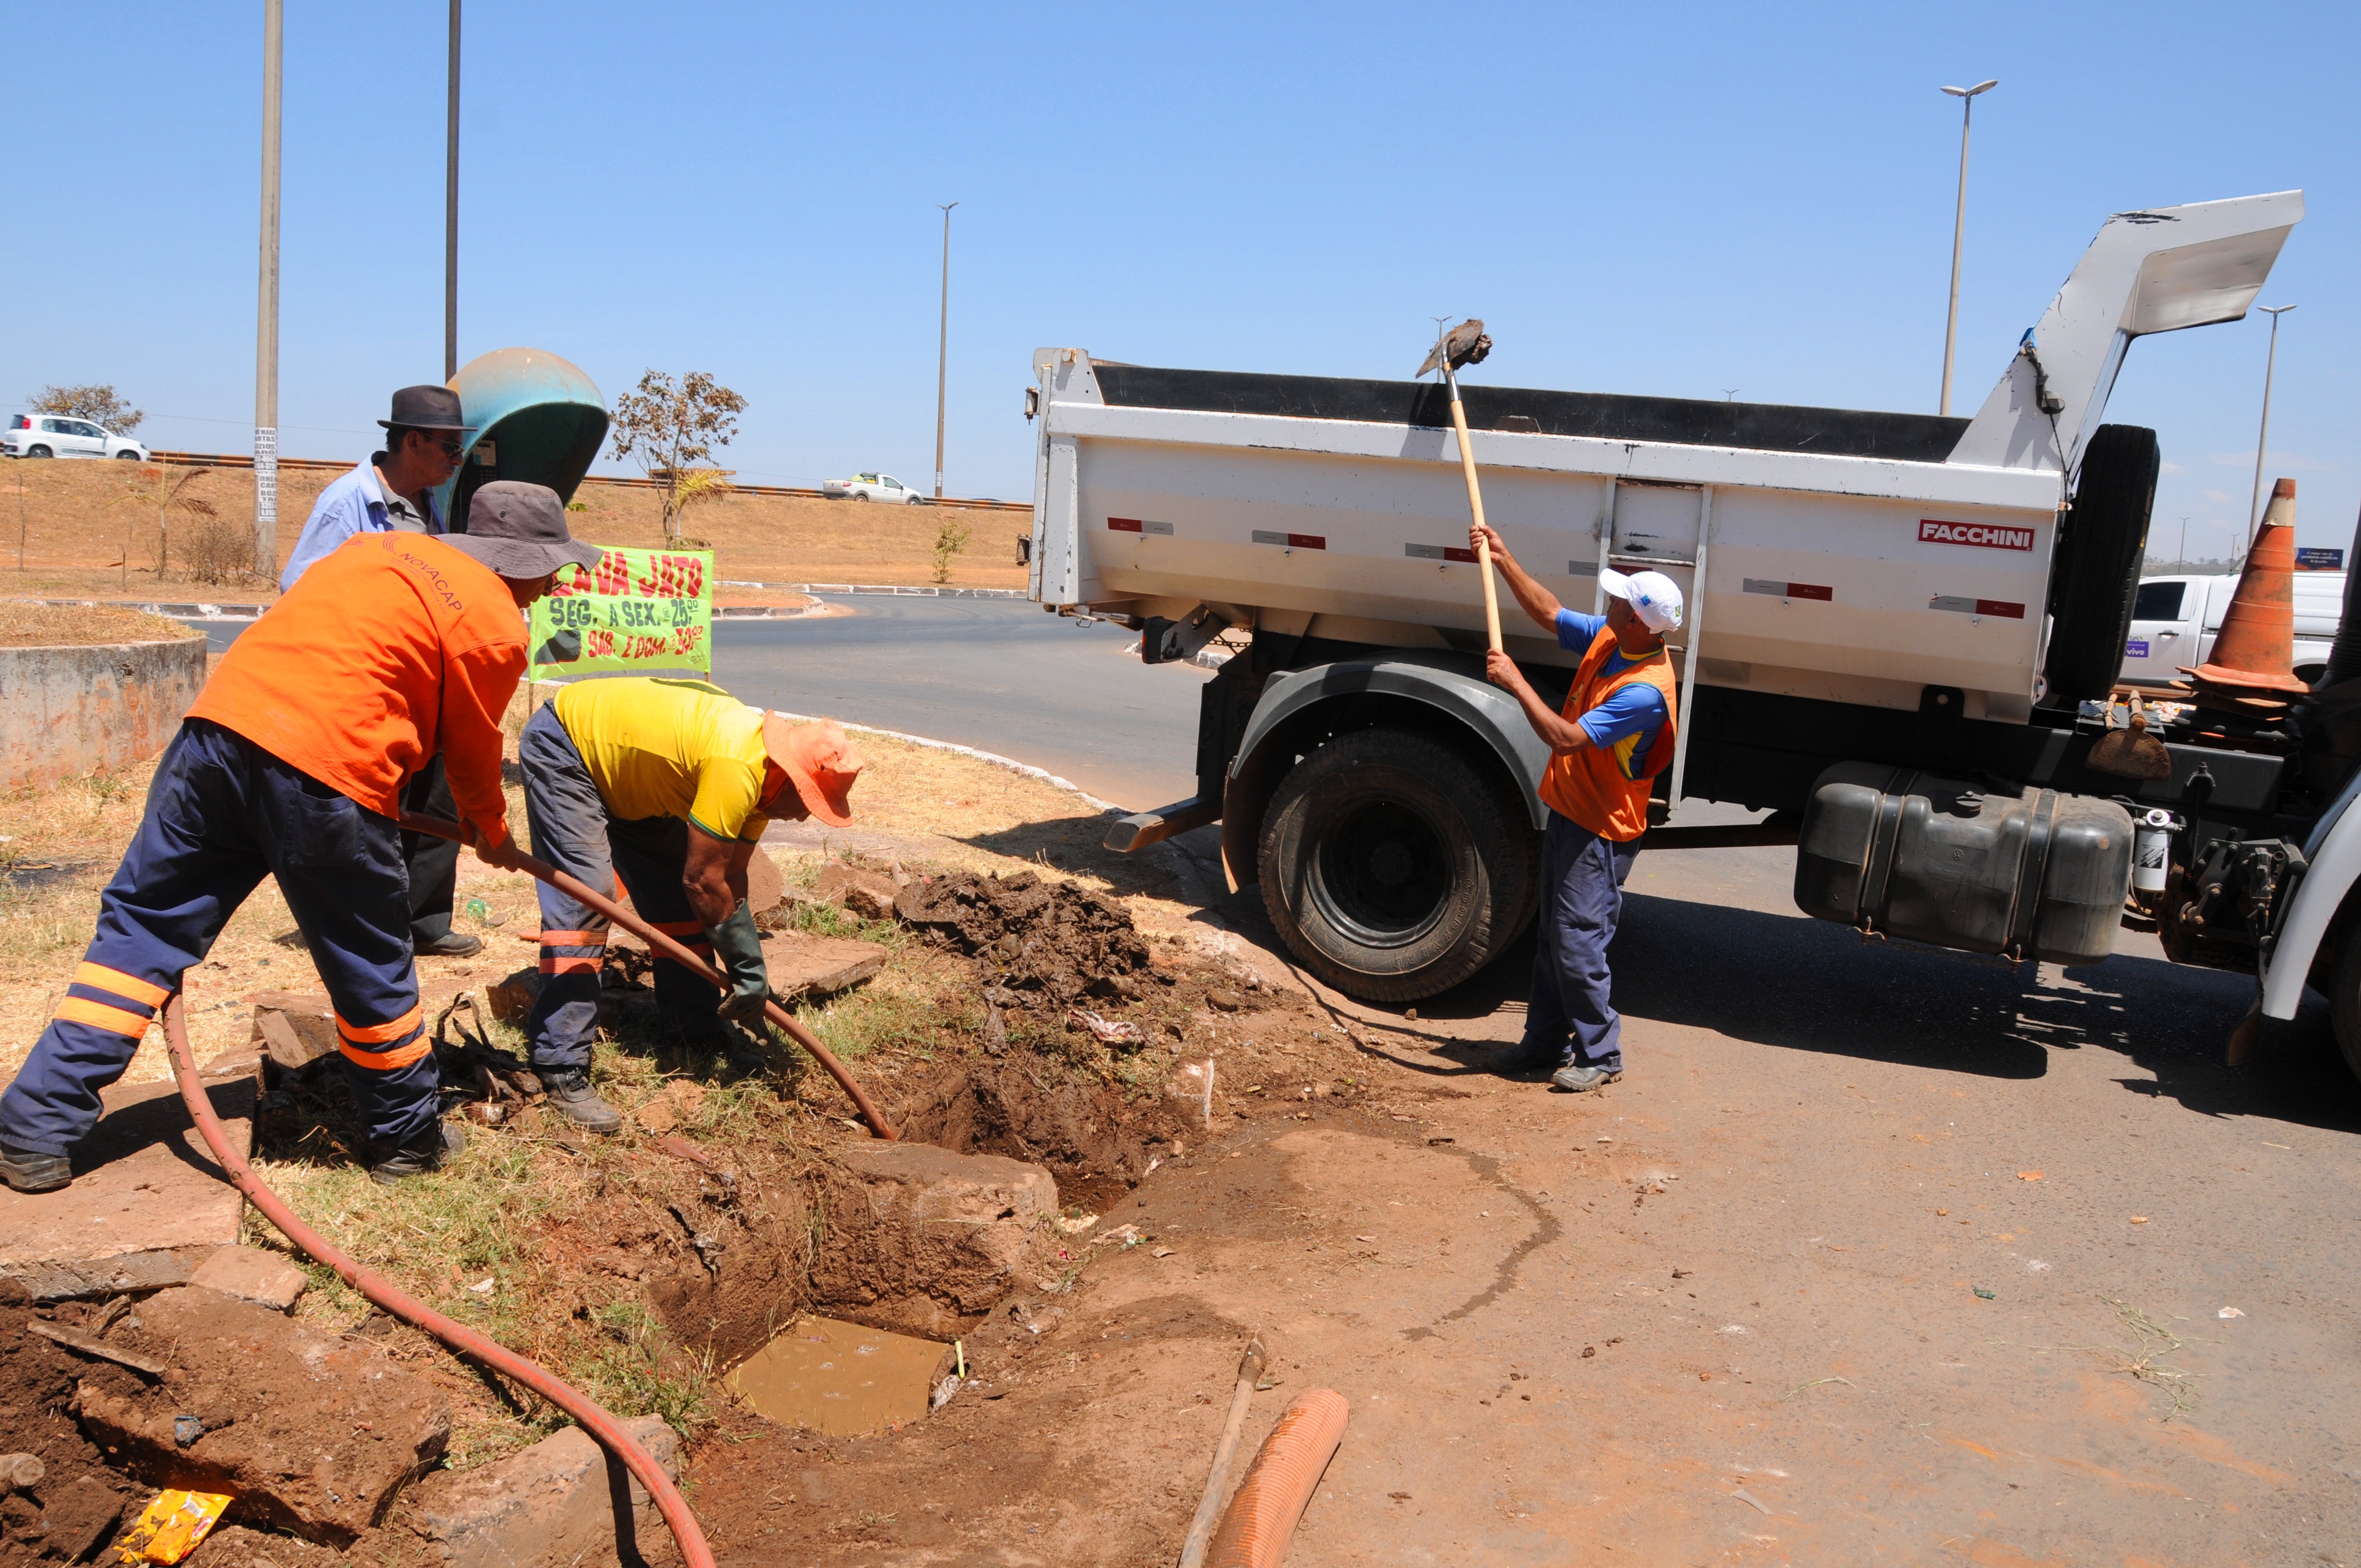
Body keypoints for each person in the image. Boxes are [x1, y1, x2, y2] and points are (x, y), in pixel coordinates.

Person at [0, 483, 599, 1194]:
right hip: (326, 770)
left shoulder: (380, 551)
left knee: (144, 926)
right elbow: (471, 757)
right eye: (553, 565)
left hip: (218, 735)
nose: (559, 581)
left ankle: (34, 1123)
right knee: (371, 957)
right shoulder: (495, 619)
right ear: (518, 559)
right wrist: (493, 832)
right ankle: (408, 1136)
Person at [517, 678, 866, 1132]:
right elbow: (703, 880)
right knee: (586, 901)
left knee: (676, 907)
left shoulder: (764, 783)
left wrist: (751, 972)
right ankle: (560, 1064)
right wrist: (746, 971)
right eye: (807, 801)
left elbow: (730, 878)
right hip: (568, 748)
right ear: (787, 778)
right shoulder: (738, 766)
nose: (803, 815)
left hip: (632, 781)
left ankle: (695, 1030)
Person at [1474, 521, 1682, 1092]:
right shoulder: (1616, 638)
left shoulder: (1644, 690)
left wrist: (1516, 681)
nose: (1611, 599)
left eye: (1621, 599)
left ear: (1638, 619)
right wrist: (1504, 558)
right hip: (1571, 812)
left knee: (1577, 941)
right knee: (1552, 938)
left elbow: (1565, 738)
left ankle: (1601, 1054)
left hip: (1600, 829)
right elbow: (1550, 614)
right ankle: (1542, 1043)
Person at [280, 385, 484, 959]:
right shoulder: (348, 501)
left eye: (459, 447)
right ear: (411, 440)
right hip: (368, 677)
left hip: (424, 675)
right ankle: (358, 919)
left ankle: (424, 920)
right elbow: (300, 584)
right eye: (448, 446)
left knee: (434, 796)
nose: (455, 459)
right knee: (371, 803)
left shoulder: (426, 503)